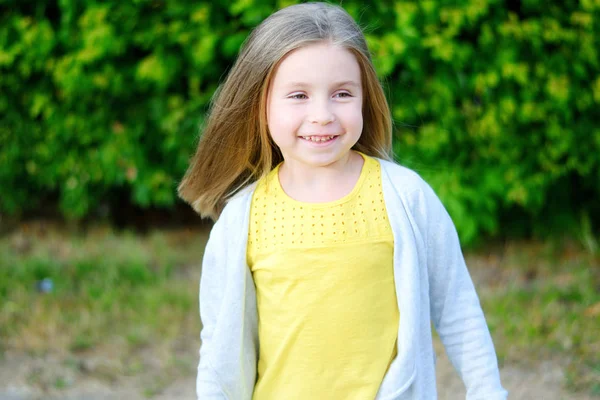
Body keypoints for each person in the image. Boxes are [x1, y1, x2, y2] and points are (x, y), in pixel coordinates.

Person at [178, 2, 507, 399]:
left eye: (342, 94)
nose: (322, 115)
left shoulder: (406, 197)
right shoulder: (243, 218)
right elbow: (218, 345)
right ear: (260, 105)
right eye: (298, 95)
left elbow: (457, 307)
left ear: (365, 97)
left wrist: (488, 391)